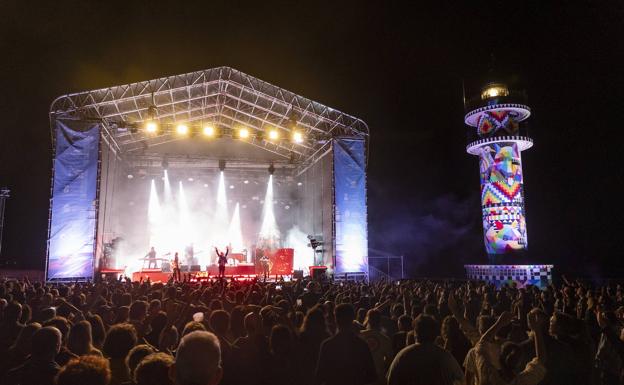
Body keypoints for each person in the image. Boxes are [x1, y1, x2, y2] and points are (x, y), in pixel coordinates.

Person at [387, 315, 465, 385]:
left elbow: (390, 380)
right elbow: (460, 380)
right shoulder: (444, 356)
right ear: (434, 334)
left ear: (415, 334)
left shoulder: (402, 356)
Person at [316, 303, 377, 385]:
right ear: (353, 319)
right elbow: (372, 376)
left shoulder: (327, 345)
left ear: (335, 319)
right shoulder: (362, 345)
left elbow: (319, 376)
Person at [360, 309, 394, 385]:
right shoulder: (385, 339)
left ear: (368, 320)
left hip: (361, 376)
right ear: (380, 321)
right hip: (378, 378)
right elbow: (390, 361)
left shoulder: (360, 336)